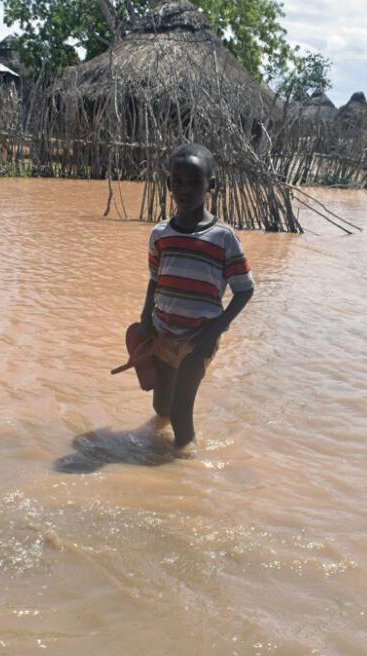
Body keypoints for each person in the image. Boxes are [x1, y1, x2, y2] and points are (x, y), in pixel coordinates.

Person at [138, 144, 254, 451]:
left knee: (179, 412)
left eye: (194, 182)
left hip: (198, 338)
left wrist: (214, 331)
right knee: (161, 407)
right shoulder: (160, 234)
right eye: (178, 182)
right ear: (168, 185)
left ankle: (185, 471)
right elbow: (154, 280)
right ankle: (158, 456)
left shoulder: (223, 238)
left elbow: (245, 289)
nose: (185, 189)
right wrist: (145, 318)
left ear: (211, 185)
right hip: (163, 331)